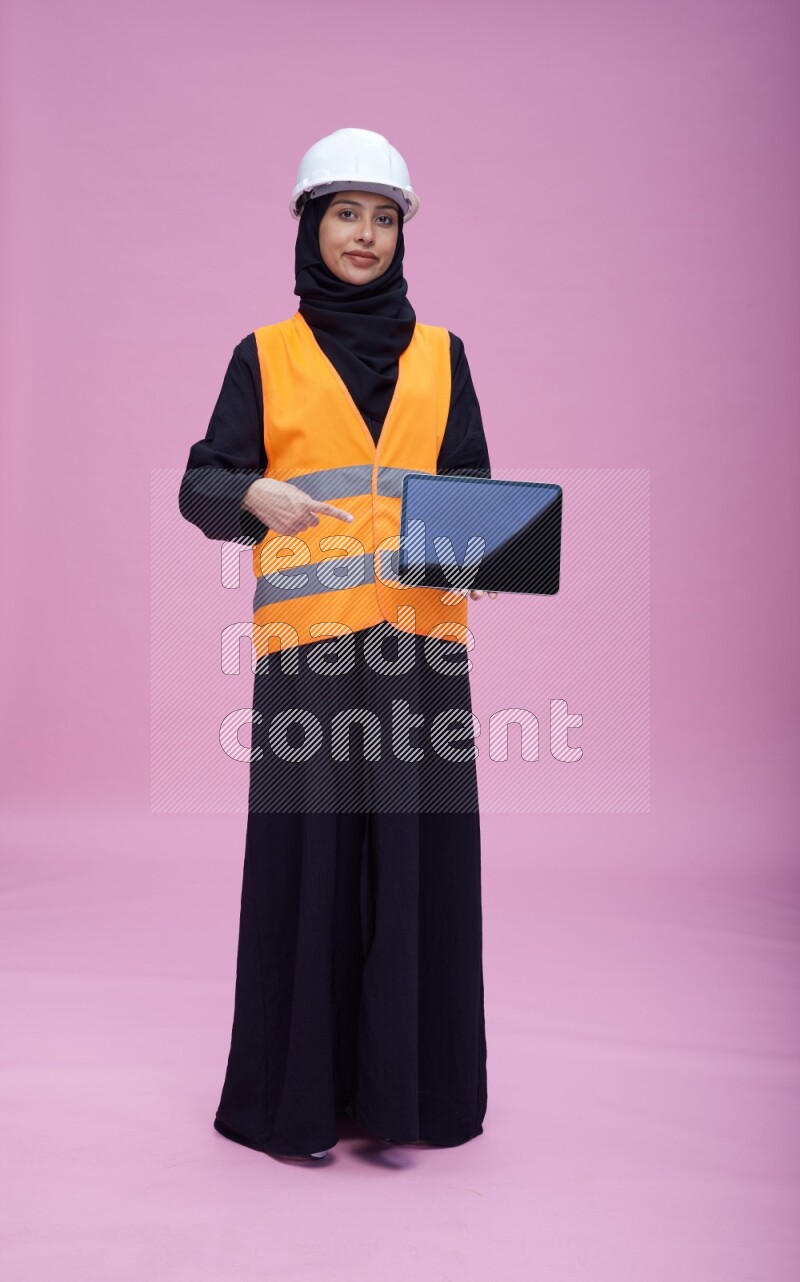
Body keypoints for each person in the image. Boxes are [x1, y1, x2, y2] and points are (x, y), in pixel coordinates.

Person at [179, 127, 497, 1162]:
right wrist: (247, 493)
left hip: (418, 654)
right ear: (310, 224)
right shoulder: (261, 355)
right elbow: (201, 482)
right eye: (344, 213)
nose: (363, 235)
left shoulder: (445, 356)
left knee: (413, 868)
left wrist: (485, 545)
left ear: (403, 233)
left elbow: (473, 502)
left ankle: (408, 1100)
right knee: (309, 865)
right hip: (310, 655)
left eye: (382, 216)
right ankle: (295, 1100)